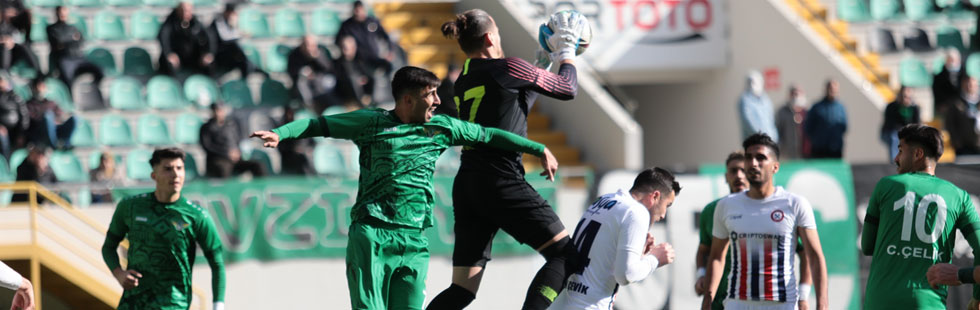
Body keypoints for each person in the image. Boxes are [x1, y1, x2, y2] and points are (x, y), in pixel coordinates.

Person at [249, 66, 559, 310]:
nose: (438, 101)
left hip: (414, 241)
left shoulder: (441, 127)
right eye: (431, 94)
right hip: (372, 235)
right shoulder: (371, 123)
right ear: (408, 99)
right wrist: (281, 133)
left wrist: (537, 148)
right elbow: (319, 124)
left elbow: (490, 135)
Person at [426, 9, 586, 310]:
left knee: (462, 290)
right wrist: (566, 52)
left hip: (469, 184)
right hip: (500, 180)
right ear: (489, 37)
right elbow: (567, 88)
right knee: (566, 256)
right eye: (498, 31)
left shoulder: (464, 78)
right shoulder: (511, 67)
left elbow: (517, 100)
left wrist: (540, 64)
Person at [702, 133, 828, 310]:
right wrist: (707, 299)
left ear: (775, 166)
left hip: (782, 304)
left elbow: (814, 256)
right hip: (737, 304)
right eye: (749, 158)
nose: (753, 163)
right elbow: (716, 256)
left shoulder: (795, 204)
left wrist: (821, 304)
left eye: (761, 157)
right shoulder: (726, 206)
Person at [862, 124, 980, 309]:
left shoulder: (885, 185)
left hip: (880, 302)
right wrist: (977, 296)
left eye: (900, 150)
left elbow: (868, 246)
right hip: (929, 303)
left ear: (917, 154)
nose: (895, 158)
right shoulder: (960, 197)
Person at [101, 147, 226, 310]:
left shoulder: (197, 216)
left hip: (173, 304)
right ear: (154, 175)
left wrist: (218, 305)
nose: (176, 174)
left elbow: (217, 263)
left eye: (179, 168)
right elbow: (109, 247)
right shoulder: (130, 207)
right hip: (133, 303)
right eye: (168, 169)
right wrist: (119, 273)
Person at [549, 168, 679, 310]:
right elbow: (626, 275)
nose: (664, 215)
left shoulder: (604, 200)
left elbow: (601, 257)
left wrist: (639, 256)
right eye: (667, 205)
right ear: (655, 196)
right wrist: (655, 259)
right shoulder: (637, 211)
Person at [199, 102, 265, 178]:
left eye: (220, 110)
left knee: (258, 165)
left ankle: (261, 189)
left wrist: (237, 152)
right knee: (223, 169)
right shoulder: (206, 127)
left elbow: (237, 141)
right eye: (216, 110)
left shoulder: (230, 125)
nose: (218, 113)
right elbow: (207, 146)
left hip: (235, 159)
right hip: (218, 159)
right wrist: (226, 153)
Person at [46, 6, 103, 89]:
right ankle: (72, 99)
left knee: (99, 71)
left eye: (64, 12)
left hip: (79, 58)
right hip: (65, 59)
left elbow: (81, 41)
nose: (62, 14)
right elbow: (58, 42)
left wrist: (66, 42)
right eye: (60, 12)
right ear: (56, 13)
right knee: (67, 79)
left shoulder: (73, 27)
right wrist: (73, 39)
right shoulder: (51, 29)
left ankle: (93, 92)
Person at [336, 0, 395, 76]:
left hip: (374, 56)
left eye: (360, 9)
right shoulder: (347, 25)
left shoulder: (372, 21)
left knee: (389, 68)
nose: (358, 12)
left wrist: (390, 51)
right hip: (358, 61)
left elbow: (385, 36)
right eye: (356, 10)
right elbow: (339, 41)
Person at [158, 2, 213, 77]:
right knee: (169, 64)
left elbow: (209, 36)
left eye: (188, 10)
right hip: (176, 55)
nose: (185, 13)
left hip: (191, 57)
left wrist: (208, 53)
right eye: (182, 10)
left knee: (208, 64)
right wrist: (169, 53)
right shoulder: (171, 21)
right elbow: (163, 36)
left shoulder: (195, 22)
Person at [208, 3, 262, 79]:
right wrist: (240, 34)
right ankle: (253, 67)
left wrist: (234, 26)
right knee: (235, 45)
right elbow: (225, 38)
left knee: (243, 63)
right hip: (218, 53)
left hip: (228, 52)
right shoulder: (218, 21)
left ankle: (246, 79)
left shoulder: (229, 20)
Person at [288, 35, 339, 110]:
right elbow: (292, 72)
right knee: (301, 83)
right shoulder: (294, 55)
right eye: (307, 45)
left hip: (318, 80)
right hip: (303, 82)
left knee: (328, 81)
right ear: (302, 46)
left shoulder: (319, 52)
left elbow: (328, 68)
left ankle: (332, 105)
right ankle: (309, 106)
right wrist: (303, 72)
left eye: (312, 45)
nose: (309, 48)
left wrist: (317, 58)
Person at [25, 77, 74, 149]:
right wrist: (48, 119)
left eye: (42, 87)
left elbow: (60, 114)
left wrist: (57, 120)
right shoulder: (29, 104)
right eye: (38, 87)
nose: (41, 89)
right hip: (40, 131)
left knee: (73, 118)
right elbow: (32, 121)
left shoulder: (50, 102)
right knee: (48, 116)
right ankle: (53, 145)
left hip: (55, 127)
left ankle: (66, 144)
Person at [804, 79, 848, 158]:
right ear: (826, 89)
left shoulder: (841, 107)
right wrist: (817, 140)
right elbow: (808, 127)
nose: (833, 91)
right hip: (819, 150)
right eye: (831, 88)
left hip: (836, 150)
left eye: (835, 89)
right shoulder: (817, 107)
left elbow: (844, 127)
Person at [880, 86, 920, 160]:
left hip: (907, 132)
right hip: (891, 132)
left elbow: (917, 125)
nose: (905, 99)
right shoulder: (891, 107)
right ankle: (895, 161)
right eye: (903, 96)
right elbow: (890, 124)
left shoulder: (914, 108)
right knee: (895, 137)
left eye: (908, 97)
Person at [738, 70, 778, 142]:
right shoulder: (744, 100)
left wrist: (773, 137)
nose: (752, 85)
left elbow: (771, 121)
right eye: (750, 82)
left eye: (754, 82)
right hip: (753, 141)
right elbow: (748, 122)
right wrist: (761, 137)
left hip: (768, 140)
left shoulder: (766, 100)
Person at [334, 35, 373, 108]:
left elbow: (367, 75)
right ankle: (362, 104)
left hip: (362, 90)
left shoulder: (359, 60)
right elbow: (339, 78)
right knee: (352, 79)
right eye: (344, 47)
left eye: (347, 48)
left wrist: (362, 79)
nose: (345, 50)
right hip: (346, 93)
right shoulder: (338, 63)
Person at [944, 76, 980, 155]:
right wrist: (956, 142)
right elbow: (950, 124)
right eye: (967, 84)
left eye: (972, 85)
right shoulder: (956, 103)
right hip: (963, 147)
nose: (970, 87)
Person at [275, 105, 315, 176]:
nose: (291, 115)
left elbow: (306, 141)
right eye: (289, 113)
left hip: (296, 154)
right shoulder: (282, 127)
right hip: (286, 156)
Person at [774, 85, 808, 160]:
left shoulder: (806, 112)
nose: (796, 97)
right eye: (794, 94)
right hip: (787, 152)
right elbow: (778, 130)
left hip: (803, 153)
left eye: (798, 94)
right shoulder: (782, 111)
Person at [0, 74, 28, 158]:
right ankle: (6, 164)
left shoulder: (15, 97)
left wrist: (21, 133)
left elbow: (24, 115)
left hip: (15, 131)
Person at [933, 49, 964, 117]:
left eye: (954, 60)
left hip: (962, 106)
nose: (952, 62)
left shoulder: (964, 76)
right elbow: (937, 93)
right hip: (945, 106)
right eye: (950, 60)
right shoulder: (938, 77)